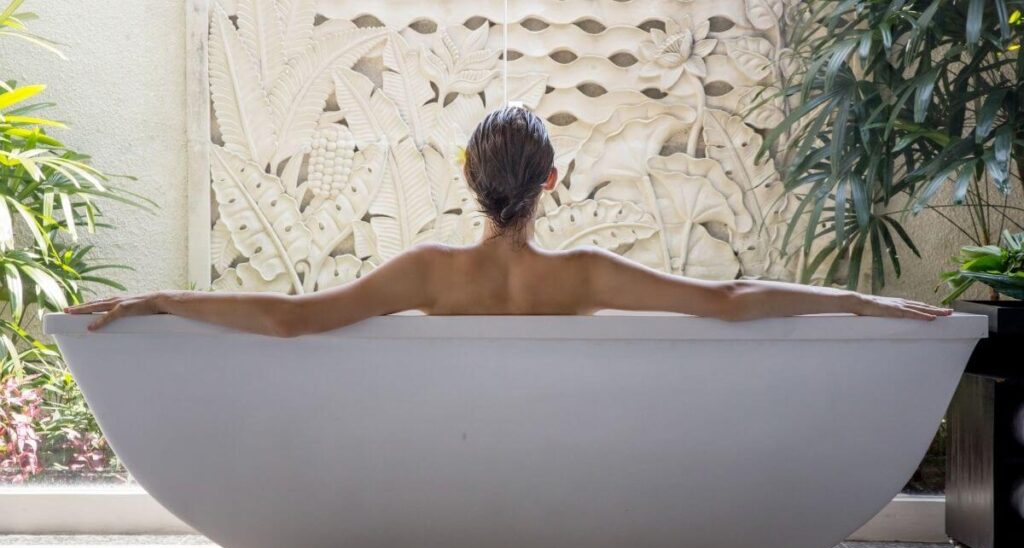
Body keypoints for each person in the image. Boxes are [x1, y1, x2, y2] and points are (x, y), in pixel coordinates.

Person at [66, 106, 951, 334]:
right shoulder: (587, 274)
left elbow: (289, 317)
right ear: (553, 182)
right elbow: (729, 297)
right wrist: (864, 304)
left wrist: (164, 299)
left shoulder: (425, 272)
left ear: (466, 177)